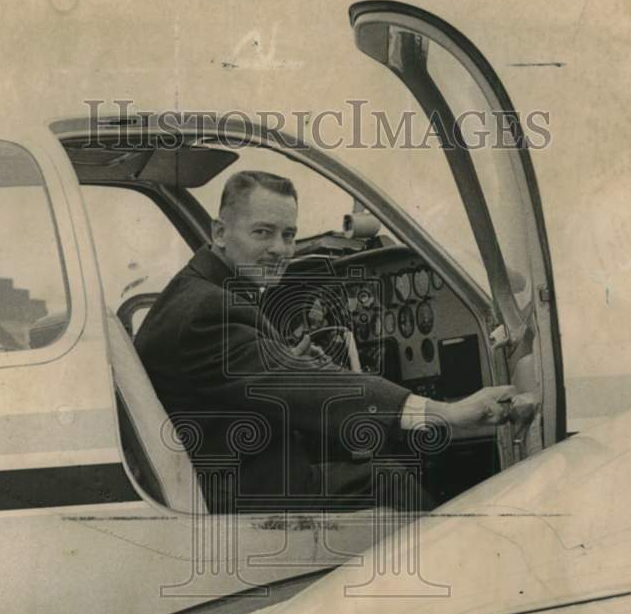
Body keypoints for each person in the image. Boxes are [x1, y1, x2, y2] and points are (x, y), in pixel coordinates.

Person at [134, 170, 526, 513]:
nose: (280, 249)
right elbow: (310, 385)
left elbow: (253, 376)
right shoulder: (207, 310)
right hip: (239, 492)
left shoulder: (197, 291)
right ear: (220, 232)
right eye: (262, 232)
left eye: (289, 235)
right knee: (386, 478)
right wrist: (444, 413)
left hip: (228, 469)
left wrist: (284, 360)